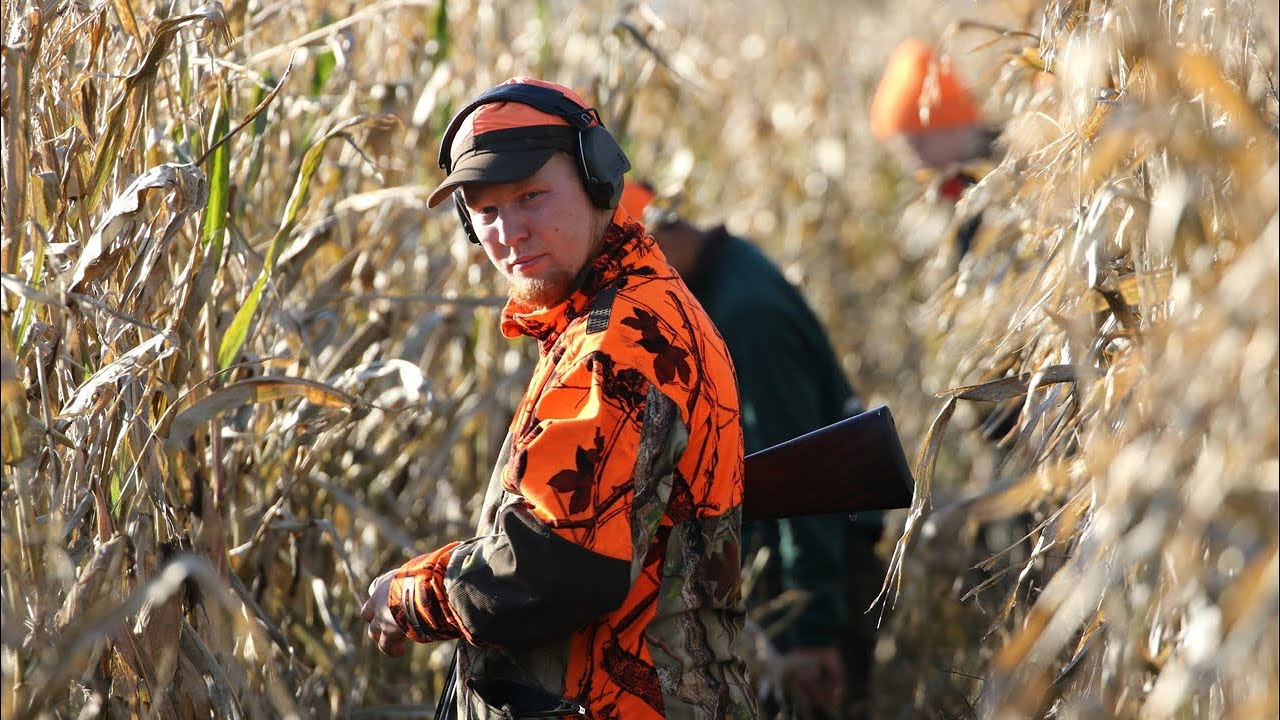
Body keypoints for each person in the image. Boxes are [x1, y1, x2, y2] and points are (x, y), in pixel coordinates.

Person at [359, 77, 757, 720]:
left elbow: (551, 567)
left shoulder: (621, 342)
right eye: (485, 212)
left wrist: (409, 596)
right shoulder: (623, 312)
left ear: (600, 181)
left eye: (532, 196)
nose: (509, 231)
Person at [621, 182, 883, 720]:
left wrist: (810, 631)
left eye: (633, 262)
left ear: (657, 236)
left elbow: (808, 475)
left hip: (816, 581)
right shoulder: (722, 279)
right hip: (805, 574)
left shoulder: (747, 316)